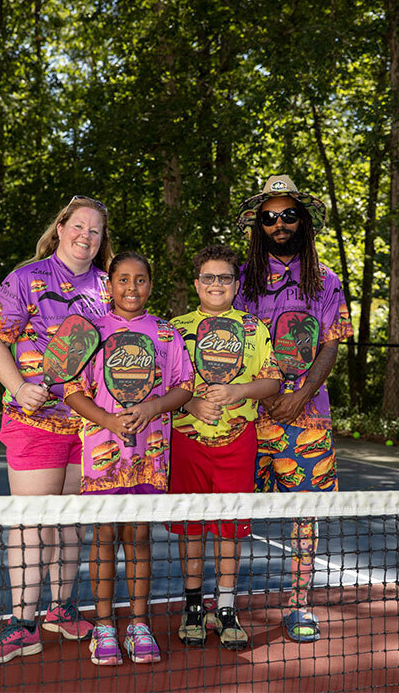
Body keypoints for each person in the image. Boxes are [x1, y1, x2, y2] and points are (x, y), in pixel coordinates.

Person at [0, 196, 113, 664]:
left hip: (89, 425)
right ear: (60, 228)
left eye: (95, 231)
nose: (85, 237)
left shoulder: (106, 287)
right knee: (32, 521)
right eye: (78, 226)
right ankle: (23, 623)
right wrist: (17, 386)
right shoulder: (26, 278)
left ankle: (61, 606)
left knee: (70, 520)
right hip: (34, 422)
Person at [234, 175, 352, 643]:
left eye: (287, 215)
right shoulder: (240, 277)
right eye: (268, 217)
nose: (279, 224)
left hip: (308, 419)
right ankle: (223, 607)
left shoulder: (325, 280)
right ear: (258, 225)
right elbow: (230, 341)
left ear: (302, 220)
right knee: (230, 512)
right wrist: (261, 394)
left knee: (306, 514)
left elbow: (330, 344)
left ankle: (299, 605)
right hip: (244, 418)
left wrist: (301, 395)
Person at [64, 251, 193, 666]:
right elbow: (72, 390)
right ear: (110, 285)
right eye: (123, 279)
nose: (131, 288)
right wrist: (108, 421)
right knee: (103, 537)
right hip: (102, 455)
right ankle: (104, 627)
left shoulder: (167, 335)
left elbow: (184, 387)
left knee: (138, 538)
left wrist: (154, 409)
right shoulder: (90, 331)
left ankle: (139, 625)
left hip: (150, 455)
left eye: (140, 280)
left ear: (150, 286)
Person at [168, 245, 281, 650]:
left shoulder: (254, 328)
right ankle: (194, 606)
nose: (217, 284)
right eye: (209, 278)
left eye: (225, 278)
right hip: (186, 442)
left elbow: (273, 382)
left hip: (238, 442)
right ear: (197, 283)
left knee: (229, 529)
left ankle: (227, 607)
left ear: (236, 284)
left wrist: (240, 390)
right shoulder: (173, 329)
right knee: (192, 528)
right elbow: (161, 386)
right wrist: (192, 402)